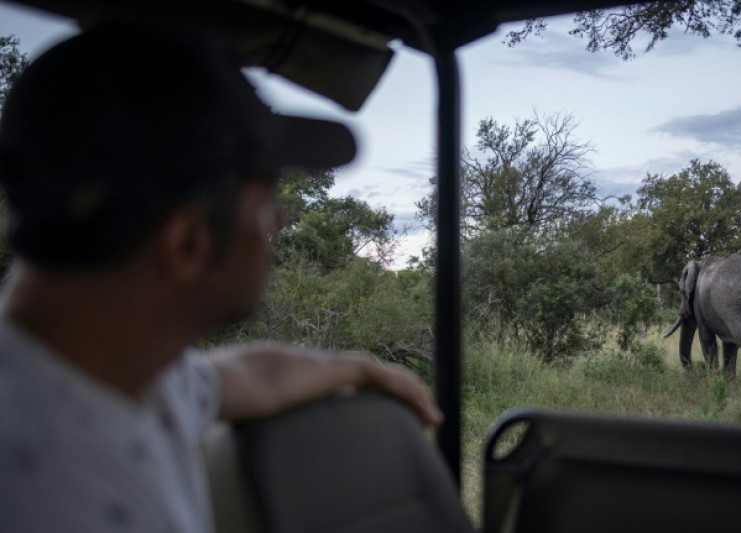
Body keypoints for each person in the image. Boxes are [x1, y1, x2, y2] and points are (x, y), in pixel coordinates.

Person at [0, 20, 442, 532]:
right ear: (188, 241)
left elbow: (248, 374)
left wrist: (356, 367)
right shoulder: (53, 498)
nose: (277, 223)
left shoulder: (126, 374)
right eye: (266, 204)